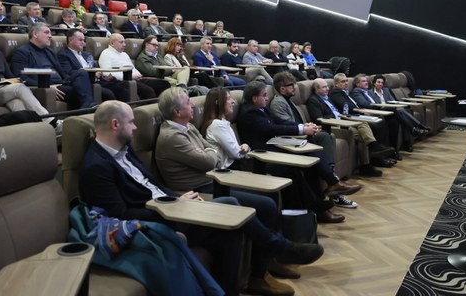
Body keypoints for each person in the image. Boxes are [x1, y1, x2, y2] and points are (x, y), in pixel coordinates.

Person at [79, 100, 324, 296]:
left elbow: (154, 186)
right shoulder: (96, 167)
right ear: (115, 124)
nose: (135, 128)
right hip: (155, 223)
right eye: (131, 122)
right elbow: (120, 215)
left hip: (172, 206)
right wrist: (175, 205)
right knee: (231, 206)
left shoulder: (124, 149)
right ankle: (280, 248)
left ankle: (254, 271)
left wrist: (177, 198)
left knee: (232, 225)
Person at [154, 87, 306, 294]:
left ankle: (267, 265)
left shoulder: (187, 127)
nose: (193, 105)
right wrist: (209, 152)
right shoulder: (172, 136)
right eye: (188, 102)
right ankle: (267, 264)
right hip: (199, 190)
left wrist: (208, 151)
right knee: (265, 205)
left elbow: (211, 152)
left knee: (269, 198)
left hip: (213, 180)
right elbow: (211, 160)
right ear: (177, 111)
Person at [237, 81, 346, 223]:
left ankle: (322, 200)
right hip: (261, 157)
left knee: (310, 160)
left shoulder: (261, 108)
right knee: (292, 167)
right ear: (254, 98)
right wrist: (301, 130)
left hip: (275, 147)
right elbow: (272, 129)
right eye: (264, 95)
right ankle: (315, 203)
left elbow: (279, 122)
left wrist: (302, 126)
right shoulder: (250, 112)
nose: (267, 98)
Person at [268, 71, 361, 208]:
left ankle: (332, 181)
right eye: (291, 85)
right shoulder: (278, 102)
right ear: (282, 89)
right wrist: (305, 128)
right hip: (291, 139)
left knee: (324, 136)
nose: (295, 87)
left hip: (300, 134)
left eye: (295, 84)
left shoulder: (289, 100)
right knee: (316, 150)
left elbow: (295, 122)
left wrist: (308, 125)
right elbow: (285, 124)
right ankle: (332, 183)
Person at [306, 78, 387, 177]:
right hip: (331, 126)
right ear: (316, 89)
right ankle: (370, 155)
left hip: (342, 121)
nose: (327, 89)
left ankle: (370, 152)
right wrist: (335, 116)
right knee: (362, 134)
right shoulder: (313, 100)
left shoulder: (326, 98)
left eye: (327, 86)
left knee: (362, 124)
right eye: (324, 87)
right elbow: (318, 118)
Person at [10, 22, 96, 109]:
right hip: (43, 86)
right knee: (80, 91)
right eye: (46, 33)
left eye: (50, 33)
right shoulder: (22, 52)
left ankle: (88, 105)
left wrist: (70, 81)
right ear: (35, 34)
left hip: (60, 83)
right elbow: (20, 77)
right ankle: (88, 106)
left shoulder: (50, 51)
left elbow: (62, 73)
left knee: (81, 74)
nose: (50, 36)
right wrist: (46, 86)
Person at [350, 73, 429, 152]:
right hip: (375, 111)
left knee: (395, 120)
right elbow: (365, 104)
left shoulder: (366, 91)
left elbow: (392, 100)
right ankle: (414, 129)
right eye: (363, 81)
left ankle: (394, 150)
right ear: (357, 84)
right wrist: (379, 106)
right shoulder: (357, 92)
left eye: (366, 81)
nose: (366, 82)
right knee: (396, 110)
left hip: (381, 111)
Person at [329, 73, 396, 166]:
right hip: (347, 118)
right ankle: (377, 155)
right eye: (343, 81)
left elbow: (352, 105)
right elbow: (347, 106)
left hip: (355, 115)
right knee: (374, 126)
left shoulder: (345, 92)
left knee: (382, 122)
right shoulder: (336, 92)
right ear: (336, 83)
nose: (346, 83)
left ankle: (381, 154)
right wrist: (361, 112)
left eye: (347, 81)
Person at [56, 29, 123, 102]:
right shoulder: (63, 55)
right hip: (83, 84)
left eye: (84, 40)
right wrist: (90, 74)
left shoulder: (87, 54)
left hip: (97, 81)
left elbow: (95, 68)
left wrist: (101, 75)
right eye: (80, 40)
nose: (83, 43)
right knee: (108, 94)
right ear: (70, 40)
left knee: (121, 87)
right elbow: (69, 72)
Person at [98, 33, 162, 99]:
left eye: (124, 42)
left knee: (162, 84)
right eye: (121, 42)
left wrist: (138, 75)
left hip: (136, 78)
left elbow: (132, 68)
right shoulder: (106, 53)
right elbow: (106, 73)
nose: (124, 45)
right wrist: (130, 76)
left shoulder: (124, 54)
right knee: (148, 91)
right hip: (122, 81)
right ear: (112, 43)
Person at [203, 87, 250, 170]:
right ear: (218, 103)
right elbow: (236, 154)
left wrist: (245, 147)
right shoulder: (217, 125)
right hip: (228, 170)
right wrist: (246, 148)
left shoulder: (223, 123)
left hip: (235, 165)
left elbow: (237, 150)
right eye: (228, 98)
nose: (233, 102)